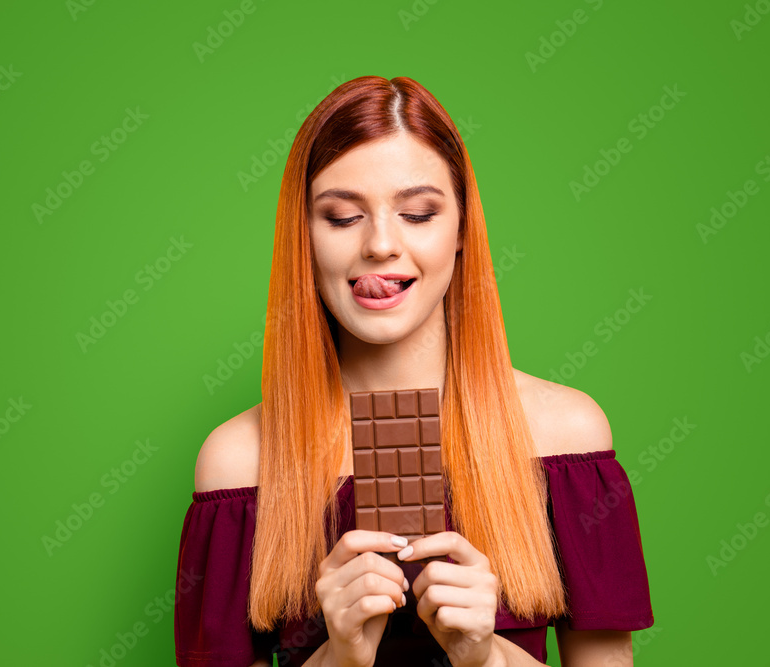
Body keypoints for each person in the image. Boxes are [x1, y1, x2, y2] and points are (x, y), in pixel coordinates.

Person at [174, 75, 653, 666]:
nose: (380, 244)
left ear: (461, 230)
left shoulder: (567, 436)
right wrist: (338, 656)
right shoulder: (237, 463)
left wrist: (486, 657)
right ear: (303, 237)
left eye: (419, 214)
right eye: (343, 217)